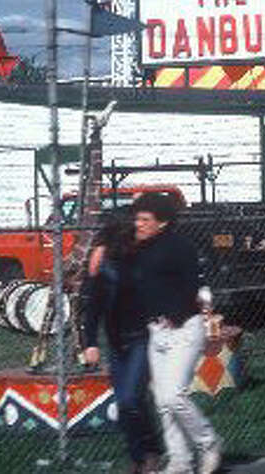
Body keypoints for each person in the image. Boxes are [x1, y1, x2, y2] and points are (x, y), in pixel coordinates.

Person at [131, 192, 222, 474]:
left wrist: (175, 312)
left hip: (184, 329)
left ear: (163, 222)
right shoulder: (139, 248)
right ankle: (180, 462)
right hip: (156, 332)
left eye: (145, 219)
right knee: (162, 402)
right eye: (137, 219)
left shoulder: (180, 247)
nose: (139, 224)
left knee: (173, 396)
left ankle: (209, 442)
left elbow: (191, 286)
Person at [82, 211, 163, 474]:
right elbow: (92, 306)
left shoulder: (137, 260)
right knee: (125, 402)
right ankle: (138, 457)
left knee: (131, 398)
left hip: (140, 338)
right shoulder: (102, 265)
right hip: (116, 342)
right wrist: (90, 342)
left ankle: (151, 451)